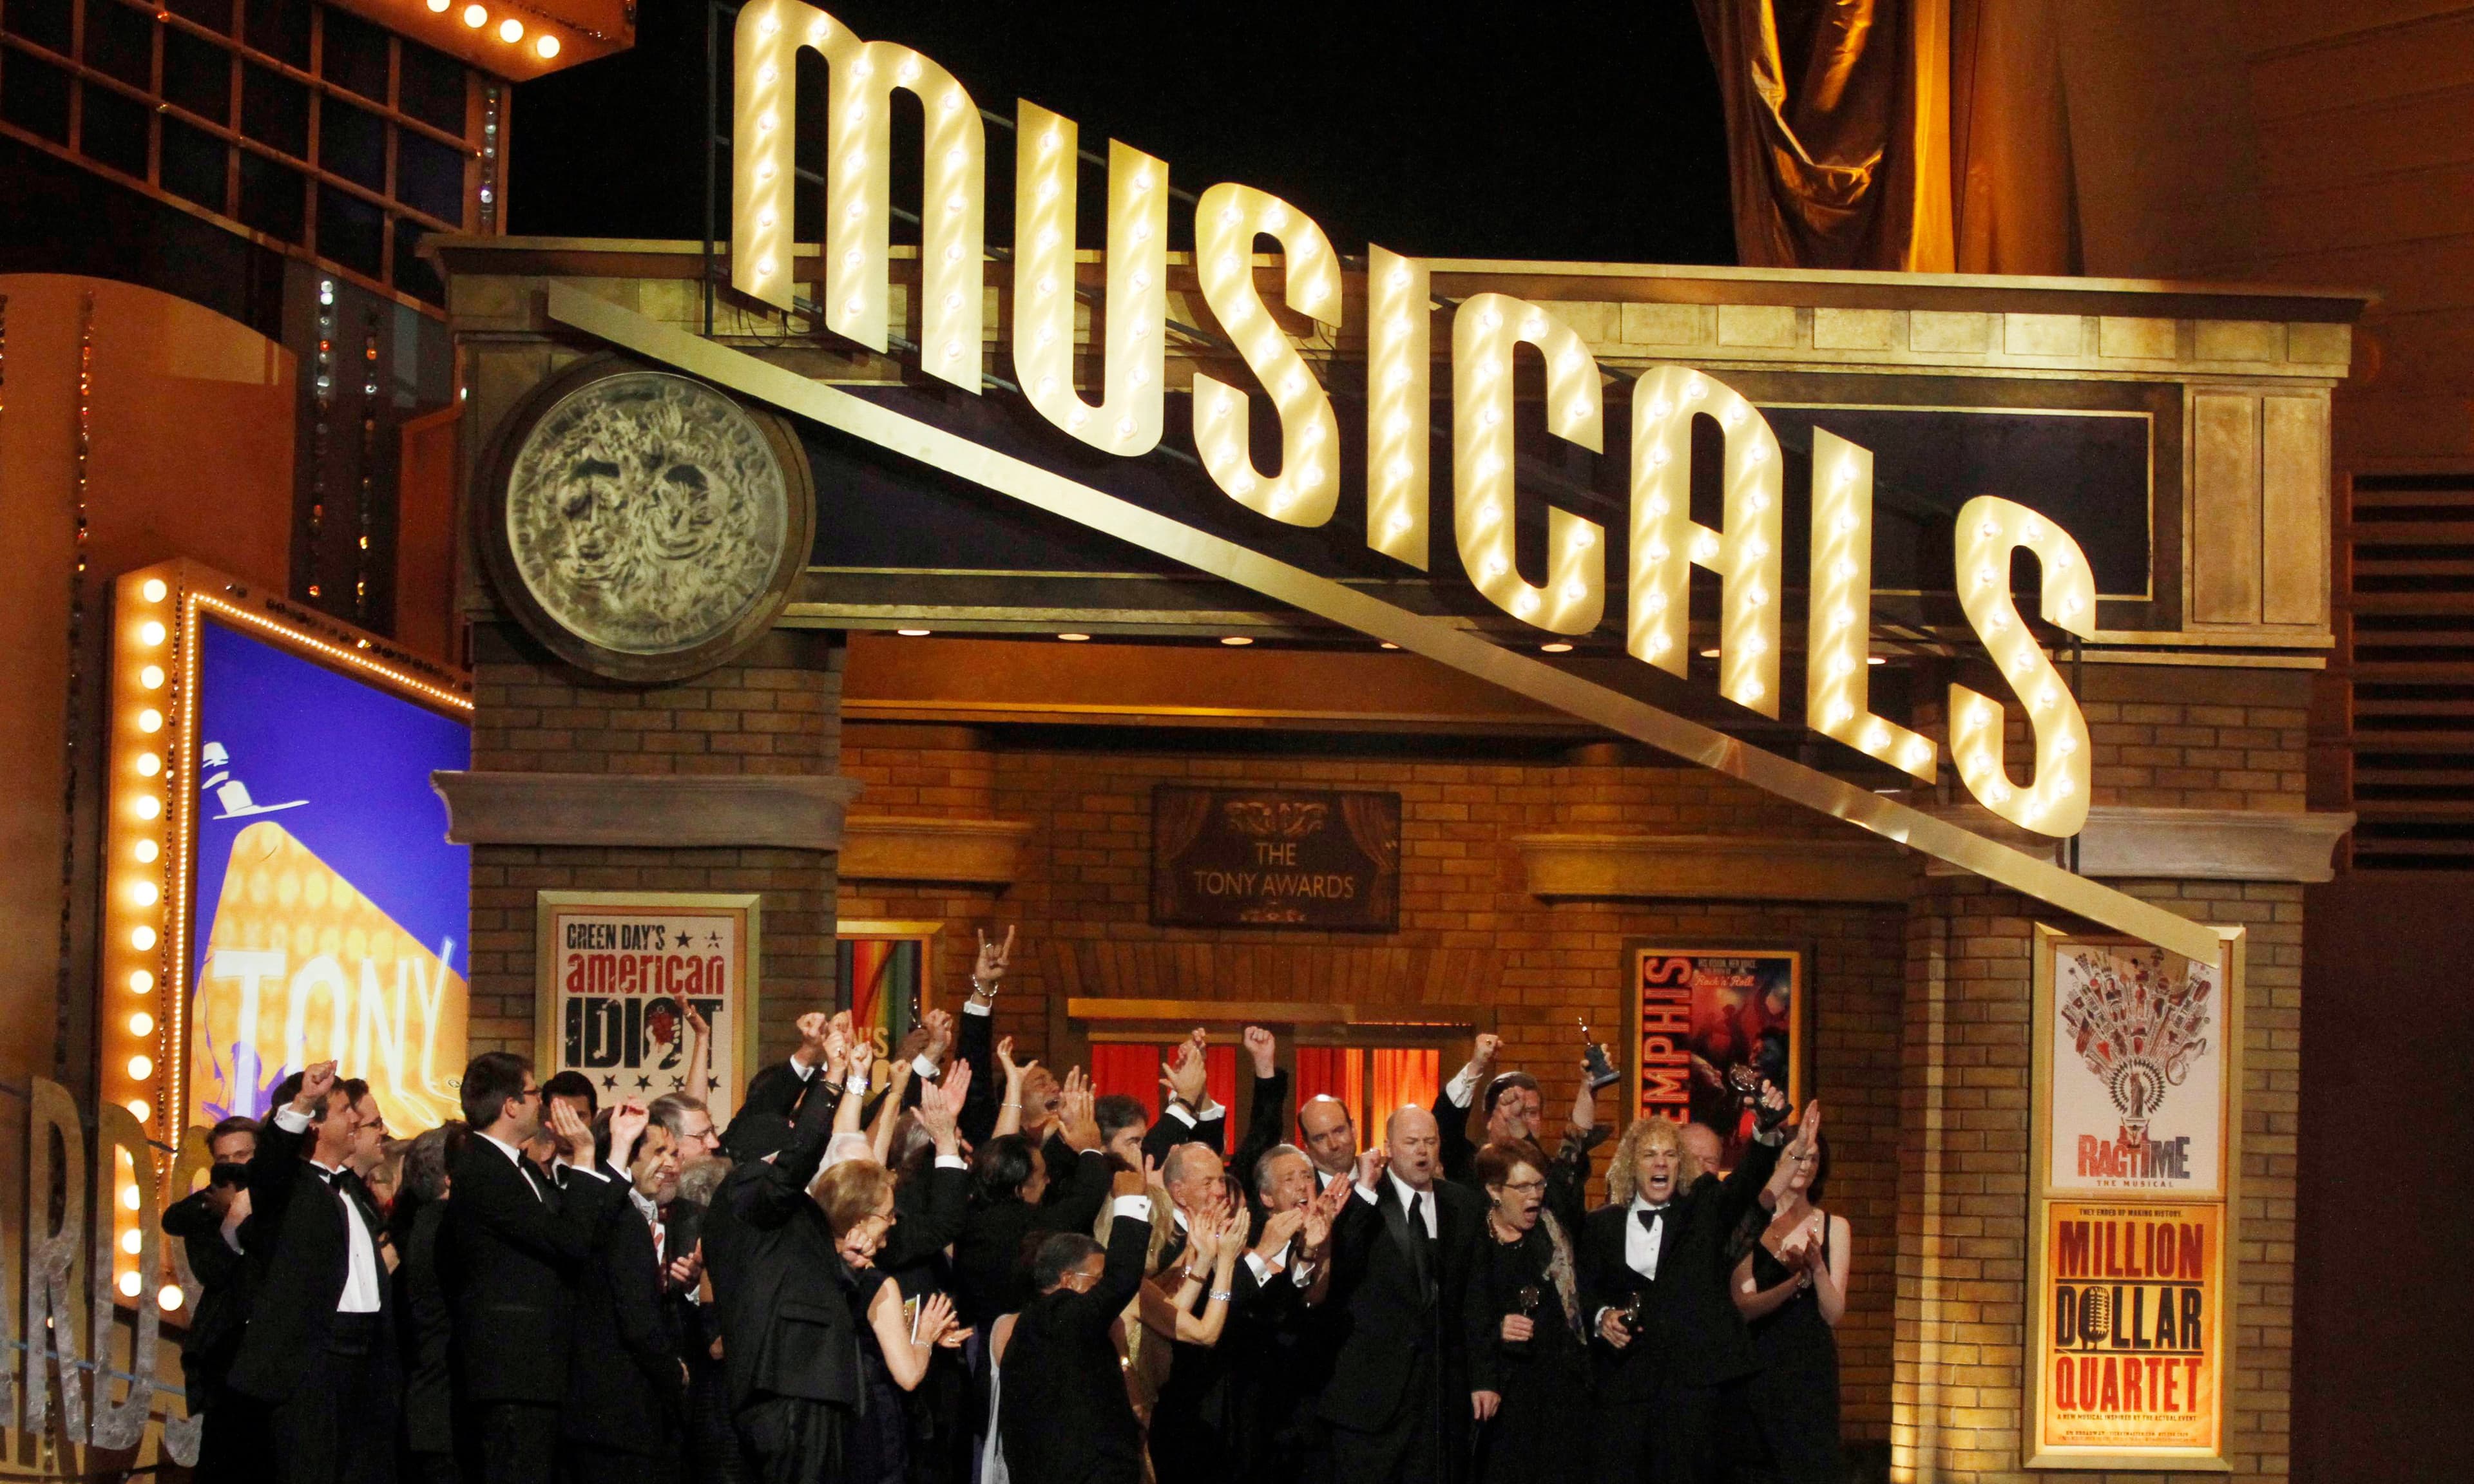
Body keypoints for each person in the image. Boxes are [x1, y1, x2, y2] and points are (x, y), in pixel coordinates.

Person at [1580, 1093, 1809, 1484]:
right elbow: (1583, 1291)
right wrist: (1603, 1317)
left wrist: (1765, 1131)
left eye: (1670, 1155)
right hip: (1623, 1387)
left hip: (1690, 1392)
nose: (1661, 1163)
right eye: (1650, 1155)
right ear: (1631, 1165)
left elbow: (1743, 1186)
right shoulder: (1601, 1225)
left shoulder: (1701, 1211)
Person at [448, 1051, 622, 1484]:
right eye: (534, 1093)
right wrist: (584, 1151)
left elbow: (579, 1226)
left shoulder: (520, 1167)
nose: (543, 1103)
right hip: (511, 1372)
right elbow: (569, 1241)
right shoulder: (484, 1170)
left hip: (537, 1372)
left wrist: (612, 1152)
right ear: (510, 1104)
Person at [225, 1062, 398, 1484]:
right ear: (316, 1126)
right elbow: (270, 1165)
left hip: (366, 1359)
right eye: (344, 1110)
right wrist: (303, 1101)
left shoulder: (352, 1188)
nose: (355, 1118)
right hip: (313, 1362)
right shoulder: (287, 1188)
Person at [1318, 1105, 1484, 1484]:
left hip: (1438, 1400)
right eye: (1411, 1142)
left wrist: (1483, 1377)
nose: (1423, 1151)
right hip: (1372, 1398)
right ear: (1389, 1147)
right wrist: (1364, 1189)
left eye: (1430, 1141)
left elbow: (1476, 1296)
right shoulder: (1364, 1198)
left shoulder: (1464, 1204)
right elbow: (1341, 1263)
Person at [997, 1161, 1159, 1484]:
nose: (1102, 1291)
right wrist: (1129, 1202)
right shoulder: (1057, 1314)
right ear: (1068, 1280)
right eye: (1097, 1279)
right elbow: (1122, 1281)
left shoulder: (1044, 1326)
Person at [819, 1159, 966, 1484]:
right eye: (888, 1215)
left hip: (826, 1424)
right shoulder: (879, 1286)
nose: (895, 1221)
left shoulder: (813, 1266)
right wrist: (926, 1334)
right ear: (861, 1220)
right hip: (872, 1422)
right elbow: (908, 1375)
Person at [564, 1099, 685, 1484]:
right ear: (627, 1158)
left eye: (673, 1153)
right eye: (659, 1152)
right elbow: (638, 1321)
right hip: (620, 1416)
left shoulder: (616, 1214)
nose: (670, 1164)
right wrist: (674, 1373)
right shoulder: (620, 1220)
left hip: (601, 1418)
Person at [1463, 1141, 1591, 1484]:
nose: (1534, 1195)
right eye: (1522, 1187)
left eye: (1538, 1184)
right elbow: (1461, 1313)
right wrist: (1497, 1327)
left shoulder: (1551, 1229)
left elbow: (1571, 1162)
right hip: (1503, 1392)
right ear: (1494, 1191)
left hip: (1559, 1391)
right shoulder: (1473, 1238)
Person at [1731, 1127, 1847, 1484]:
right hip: (1760, 1360)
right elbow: (1744, 1307)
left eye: (1813, 1158)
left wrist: (1818, 1269)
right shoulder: (1751, 1224)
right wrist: (1795, 1283)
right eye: (1797, 1156)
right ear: (1778, 1163)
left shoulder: (1836, 1227)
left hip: (1810, 1367)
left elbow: (1833, 1314)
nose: (1805, 1165)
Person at [160, 1116, 259, 1484]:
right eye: (224, 1159)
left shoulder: (283, 1202)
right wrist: (226, 1213)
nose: (234, 1165)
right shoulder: (206, 1209)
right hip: (221, 1354)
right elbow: (210, 1268)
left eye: (243, 1155)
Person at [388, 1122, 465, 1484]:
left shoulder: (425, 1224)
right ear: (450, 1176)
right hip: (443, 1410)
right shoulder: (444, 1230)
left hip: (433, 1408)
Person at [1297, 1094, 1359, 1194]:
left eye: (1339, 1131)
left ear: (1353, 1129)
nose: (1334, 1145)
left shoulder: (1381, 1182)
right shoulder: (1300, 1194)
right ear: (1306, 1145)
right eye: (1320, 1138)